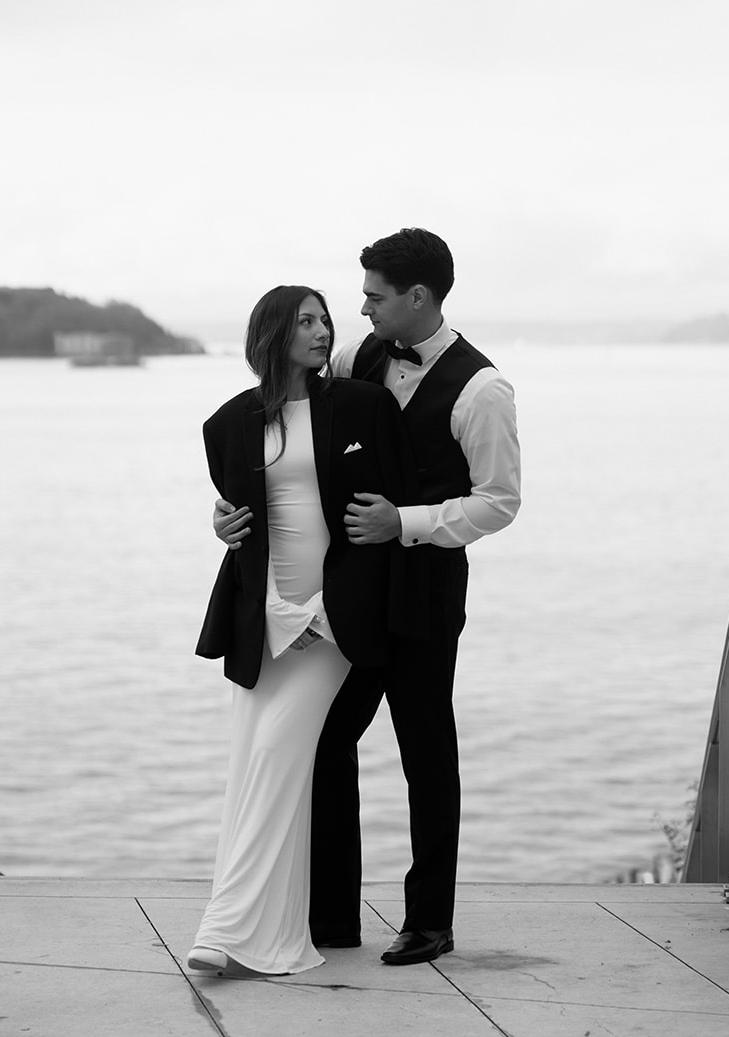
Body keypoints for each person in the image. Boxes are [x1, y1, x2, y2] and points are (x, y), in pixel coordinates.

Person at [216, 229, 520, 967]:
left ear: (417, 297)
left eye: (374, 297)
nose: (360, 310)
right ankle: (330, 916)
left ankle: (429, 920)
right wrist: (230, 511)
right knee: (324, 743)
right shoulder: (360, 358)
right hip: (351, 596)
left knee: (425, 751)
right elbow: (288, 437)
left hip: (422, 594)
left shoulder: (483, 390)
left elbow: (499, 502)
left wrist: (403, 522)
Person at [188, 284, 422, 977]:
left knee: (276, 760)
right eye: (306, 321)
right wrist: (220, 523)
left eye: (325, 319)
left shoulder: (360, 407)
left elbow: (390, 506)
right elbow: (242, 519)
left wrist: (339, 606)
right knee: (251, 766)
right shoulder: (225, 424)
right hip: (261, 620)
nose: (323, 331)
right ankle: (267, 928)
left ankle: (225, 928)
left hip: (331, 625)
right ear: (272, 334)